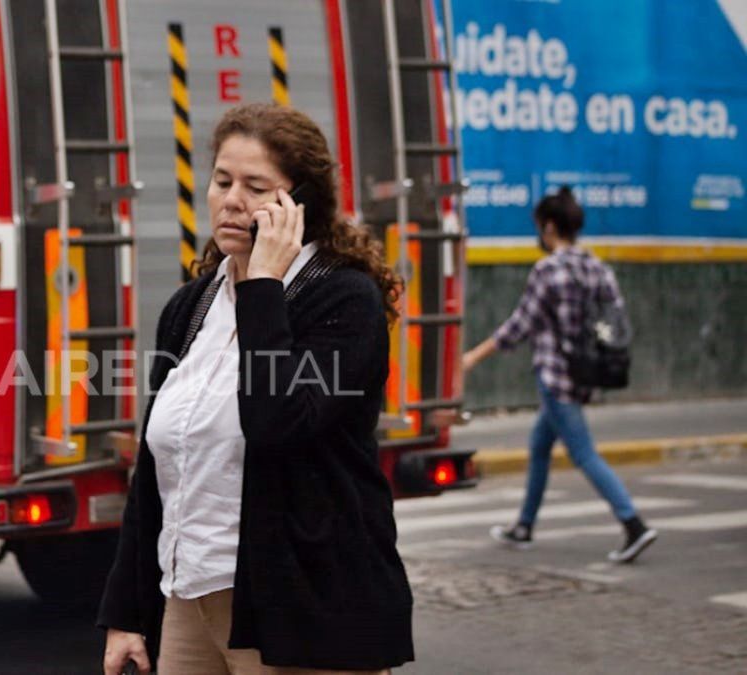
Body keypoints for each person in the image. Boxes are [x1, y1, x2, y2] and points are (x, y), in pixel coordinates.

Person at [99, 103, 414, 675]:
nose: (231, 200)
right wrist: (126, 614)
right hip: (190, 594)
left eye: (256, 187)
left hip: (301, 605)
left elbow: (276, 423)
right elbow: (156, 468)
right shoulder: (192, 304)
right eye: (222, 181)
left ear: (300, 204)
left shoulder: (344, 300)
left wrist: (264, 283)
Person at [461, 186, 657, 564]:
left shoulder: (548, 269)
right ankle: (524, 526)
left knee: (583, 453)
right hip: (586, 374)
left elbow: (519, 326)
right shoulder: (597, 267)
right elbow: (617, 320)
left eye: (539, 226)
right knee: (539, 447)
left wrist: (472, 357)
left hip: (556, 378)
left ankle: (633, 524)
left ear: (549, 227)